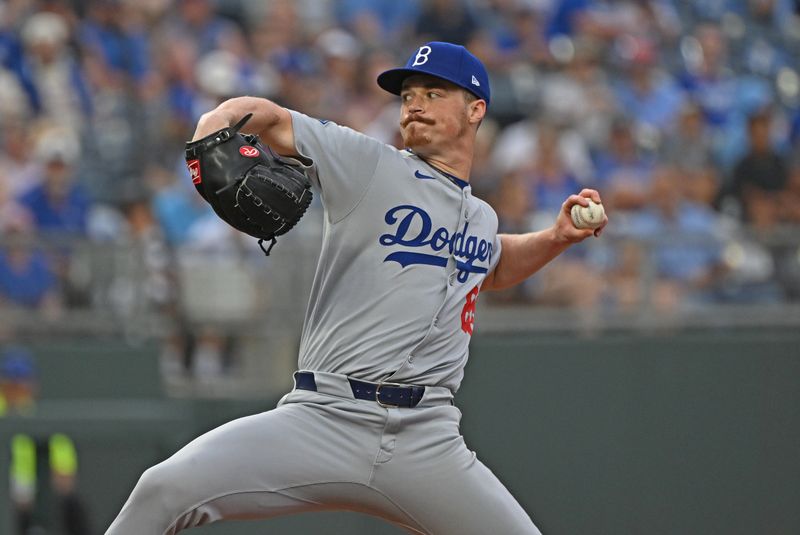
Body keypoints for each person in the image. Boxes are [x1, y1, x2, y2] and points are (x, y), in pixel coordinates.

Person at [106, 41, 607, 535]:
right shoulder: (369, 163)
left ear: (476, 110)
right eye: (409, 94)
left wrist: (557, 237)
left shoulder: (480, 216)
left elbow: (493, 265)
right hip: (324, 417)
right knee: (162, 488)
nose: (415, 104)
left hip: (426, 438)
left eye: (434, 93)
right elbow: (271, 117)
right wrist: (213, 127)